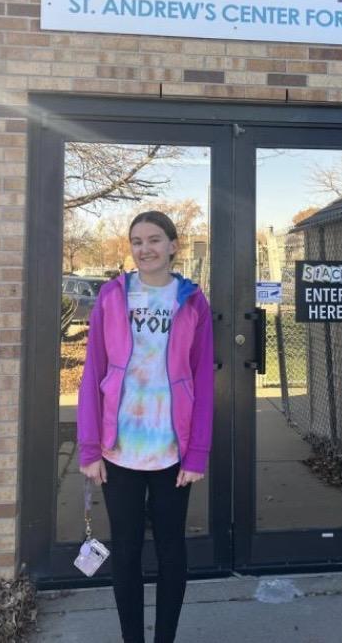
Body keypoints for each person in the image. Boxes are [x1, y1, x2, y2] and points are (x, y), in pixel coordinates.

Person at [77, 210, 214, 643]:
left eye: (154, 240)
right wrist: (90, 448)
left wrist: (197, 454)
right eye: (137, 241)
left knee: (172, 550)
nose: (145, 249)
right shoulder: (112, 296)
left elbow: (202, 380)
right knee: (126, 551)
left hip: (172, 451)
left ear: (173, 245)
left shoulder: (192, 301)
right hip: (119, 449)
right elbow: (93, 372)